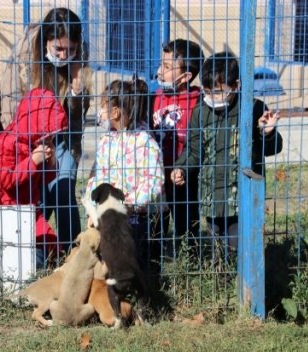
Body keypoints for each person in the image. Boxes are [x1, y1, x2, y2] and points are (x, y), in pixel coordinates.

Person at [171, 51, 283, 261]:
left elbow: (272, 149)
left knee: (240, 247)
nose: (212, 97)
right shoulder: (201, 111)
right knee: (218, 249)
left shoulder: (254, 108)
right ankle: (222, 286)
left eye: (219, 92)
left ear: (237, 85)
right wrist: (182, 167)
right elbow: (193, 148)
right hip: (211, 193)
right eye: (207, 91)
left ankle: (245, 287)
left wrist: (267, 133)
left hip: (244, 193)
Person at [0, 7, 90, 252]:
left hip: (63, 137)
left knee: (63, 192)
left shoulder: (79, 53)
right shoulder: (25, 53)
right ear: (46, 41)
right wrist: (24, 145)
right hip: (28, 138)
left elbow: (79, 112)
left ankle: (73, 256)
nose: (63, 54)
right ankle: (34, 252)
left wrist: (77, 86)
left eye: (69, 50)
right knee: (34, 197)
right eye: (58, 48)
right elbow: (9, 101)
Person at [83, 78, 166, 265]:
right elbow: (98, 176)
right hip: (110, 216)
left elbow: (154, 182)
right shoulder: (106, 141)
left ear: (115, 112)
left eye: (103, 107)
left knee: (140, 264)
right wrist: (92, 207)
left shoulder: (145, 142)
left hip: (141, 219)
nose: (100, 113)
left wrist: (131, 205)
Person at [0, 88, 66, 268]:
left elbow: (44, 179)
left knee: (54, 247)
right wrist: (33, 160)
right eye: (48, 133)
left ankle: (51, 277)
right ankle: (28, 280)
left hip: (28, 208)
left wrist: (51, 162)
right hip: (5, 210)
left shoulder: (34, 143)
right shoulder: (6, 142)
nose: (50, 137)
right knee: (17, 256)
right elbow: (7, 181)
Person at [151, 39, 204, 255]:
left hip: (185, 179)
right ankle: (157, 262)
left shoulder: (198, 101)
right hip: (157, 179)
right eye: (161, 64)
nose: (159, 72)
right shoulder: (155, 98)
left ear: (187, 76)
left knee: (187, 227)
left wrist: (184, 169)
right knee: (155, 229)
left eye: (167, 67)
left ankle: (189, 264)